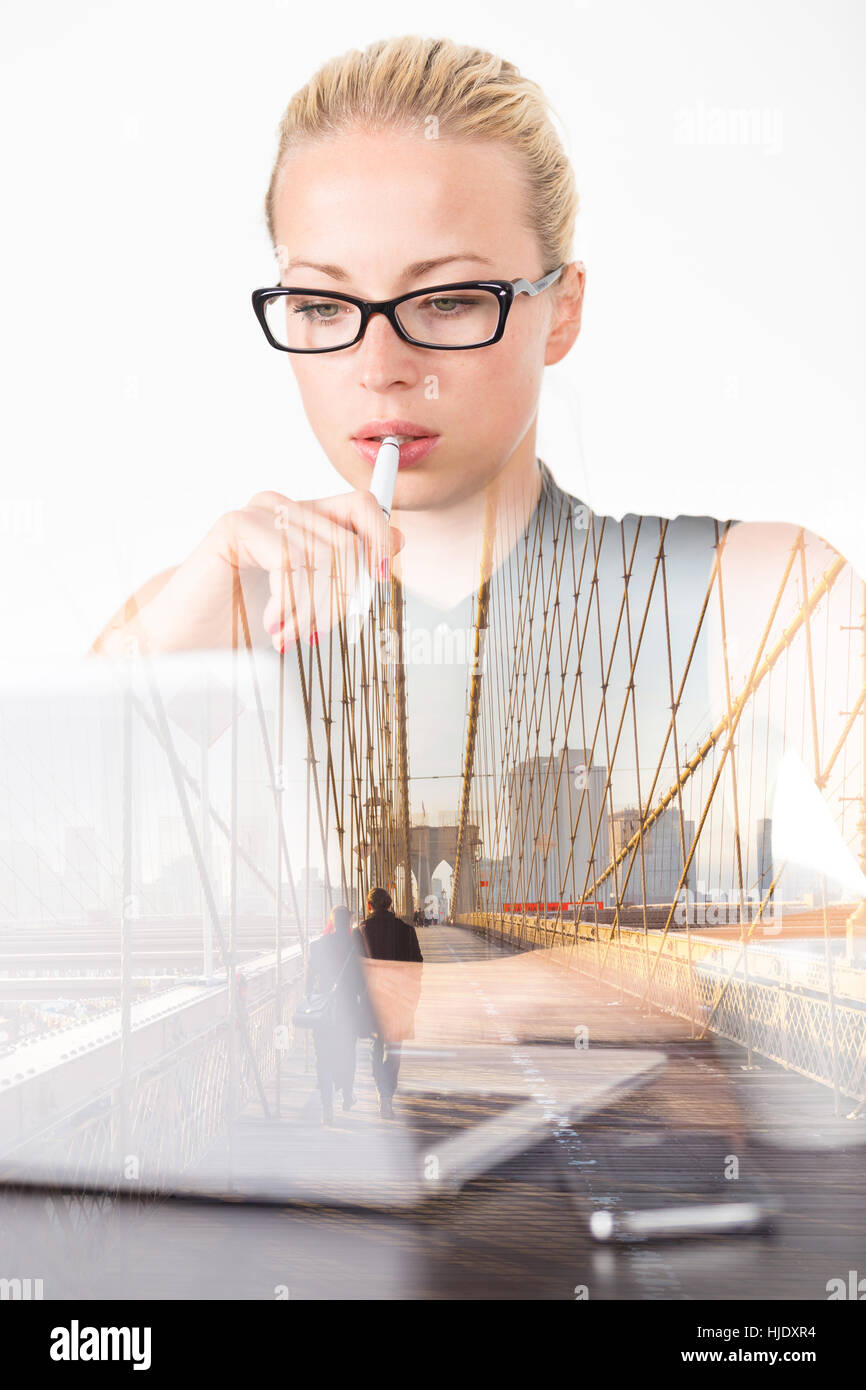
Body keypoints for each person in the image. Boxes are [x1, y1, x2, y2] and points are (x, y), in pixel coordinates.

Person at [358, 887, 423, 1120]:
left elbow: (354, 972)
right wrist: (413, 997)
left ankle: (382, 1092)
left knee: (375, 1048)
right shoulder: (407, 931)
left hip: (372, 1002)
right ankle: (388, 1095)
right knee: (394, 1050)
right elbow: (417, 966)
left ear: (369, 906)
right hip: (399, 1001)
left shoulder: (361, 932)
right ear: (390, 904)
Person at [305, 904, 365, 1125]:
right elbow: (361, 984)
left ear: (331, 921)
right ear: (348, 922)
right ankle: (347, 1094)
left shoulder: (318, 946)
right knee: (347, 1053)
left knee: (323, 1057)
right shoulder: (355, 946)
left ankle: (327, 1108)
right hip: (348, 1010)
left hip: (324, 1011)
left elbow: (309, 981)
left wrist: (311, 998)